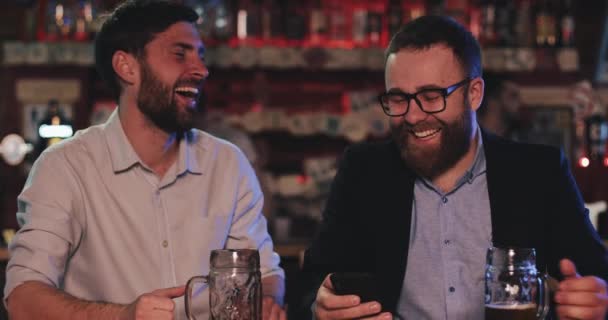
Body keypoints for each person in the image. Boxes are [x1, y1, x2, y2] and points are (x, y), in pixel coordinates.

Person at [300, 15, 608, 320]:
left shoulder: (538, 171)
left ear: (474, 94)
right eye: (398, 99)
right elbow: (308, 287)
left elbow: (596, 275)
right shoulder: (364, 171)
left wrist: (597, 297)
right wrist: (319, 307)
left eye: (431, 97)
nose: (413, 116)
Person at [4, 1, 286, 319]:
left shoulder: (228, 163)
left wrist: (265, 301)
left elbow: (263, 273)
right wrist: (124, 315)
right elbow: (23, 298)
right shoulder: (65, 167)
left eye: (201, 56)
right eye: (180, 54)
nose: (201, 70)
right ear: (127, 67)